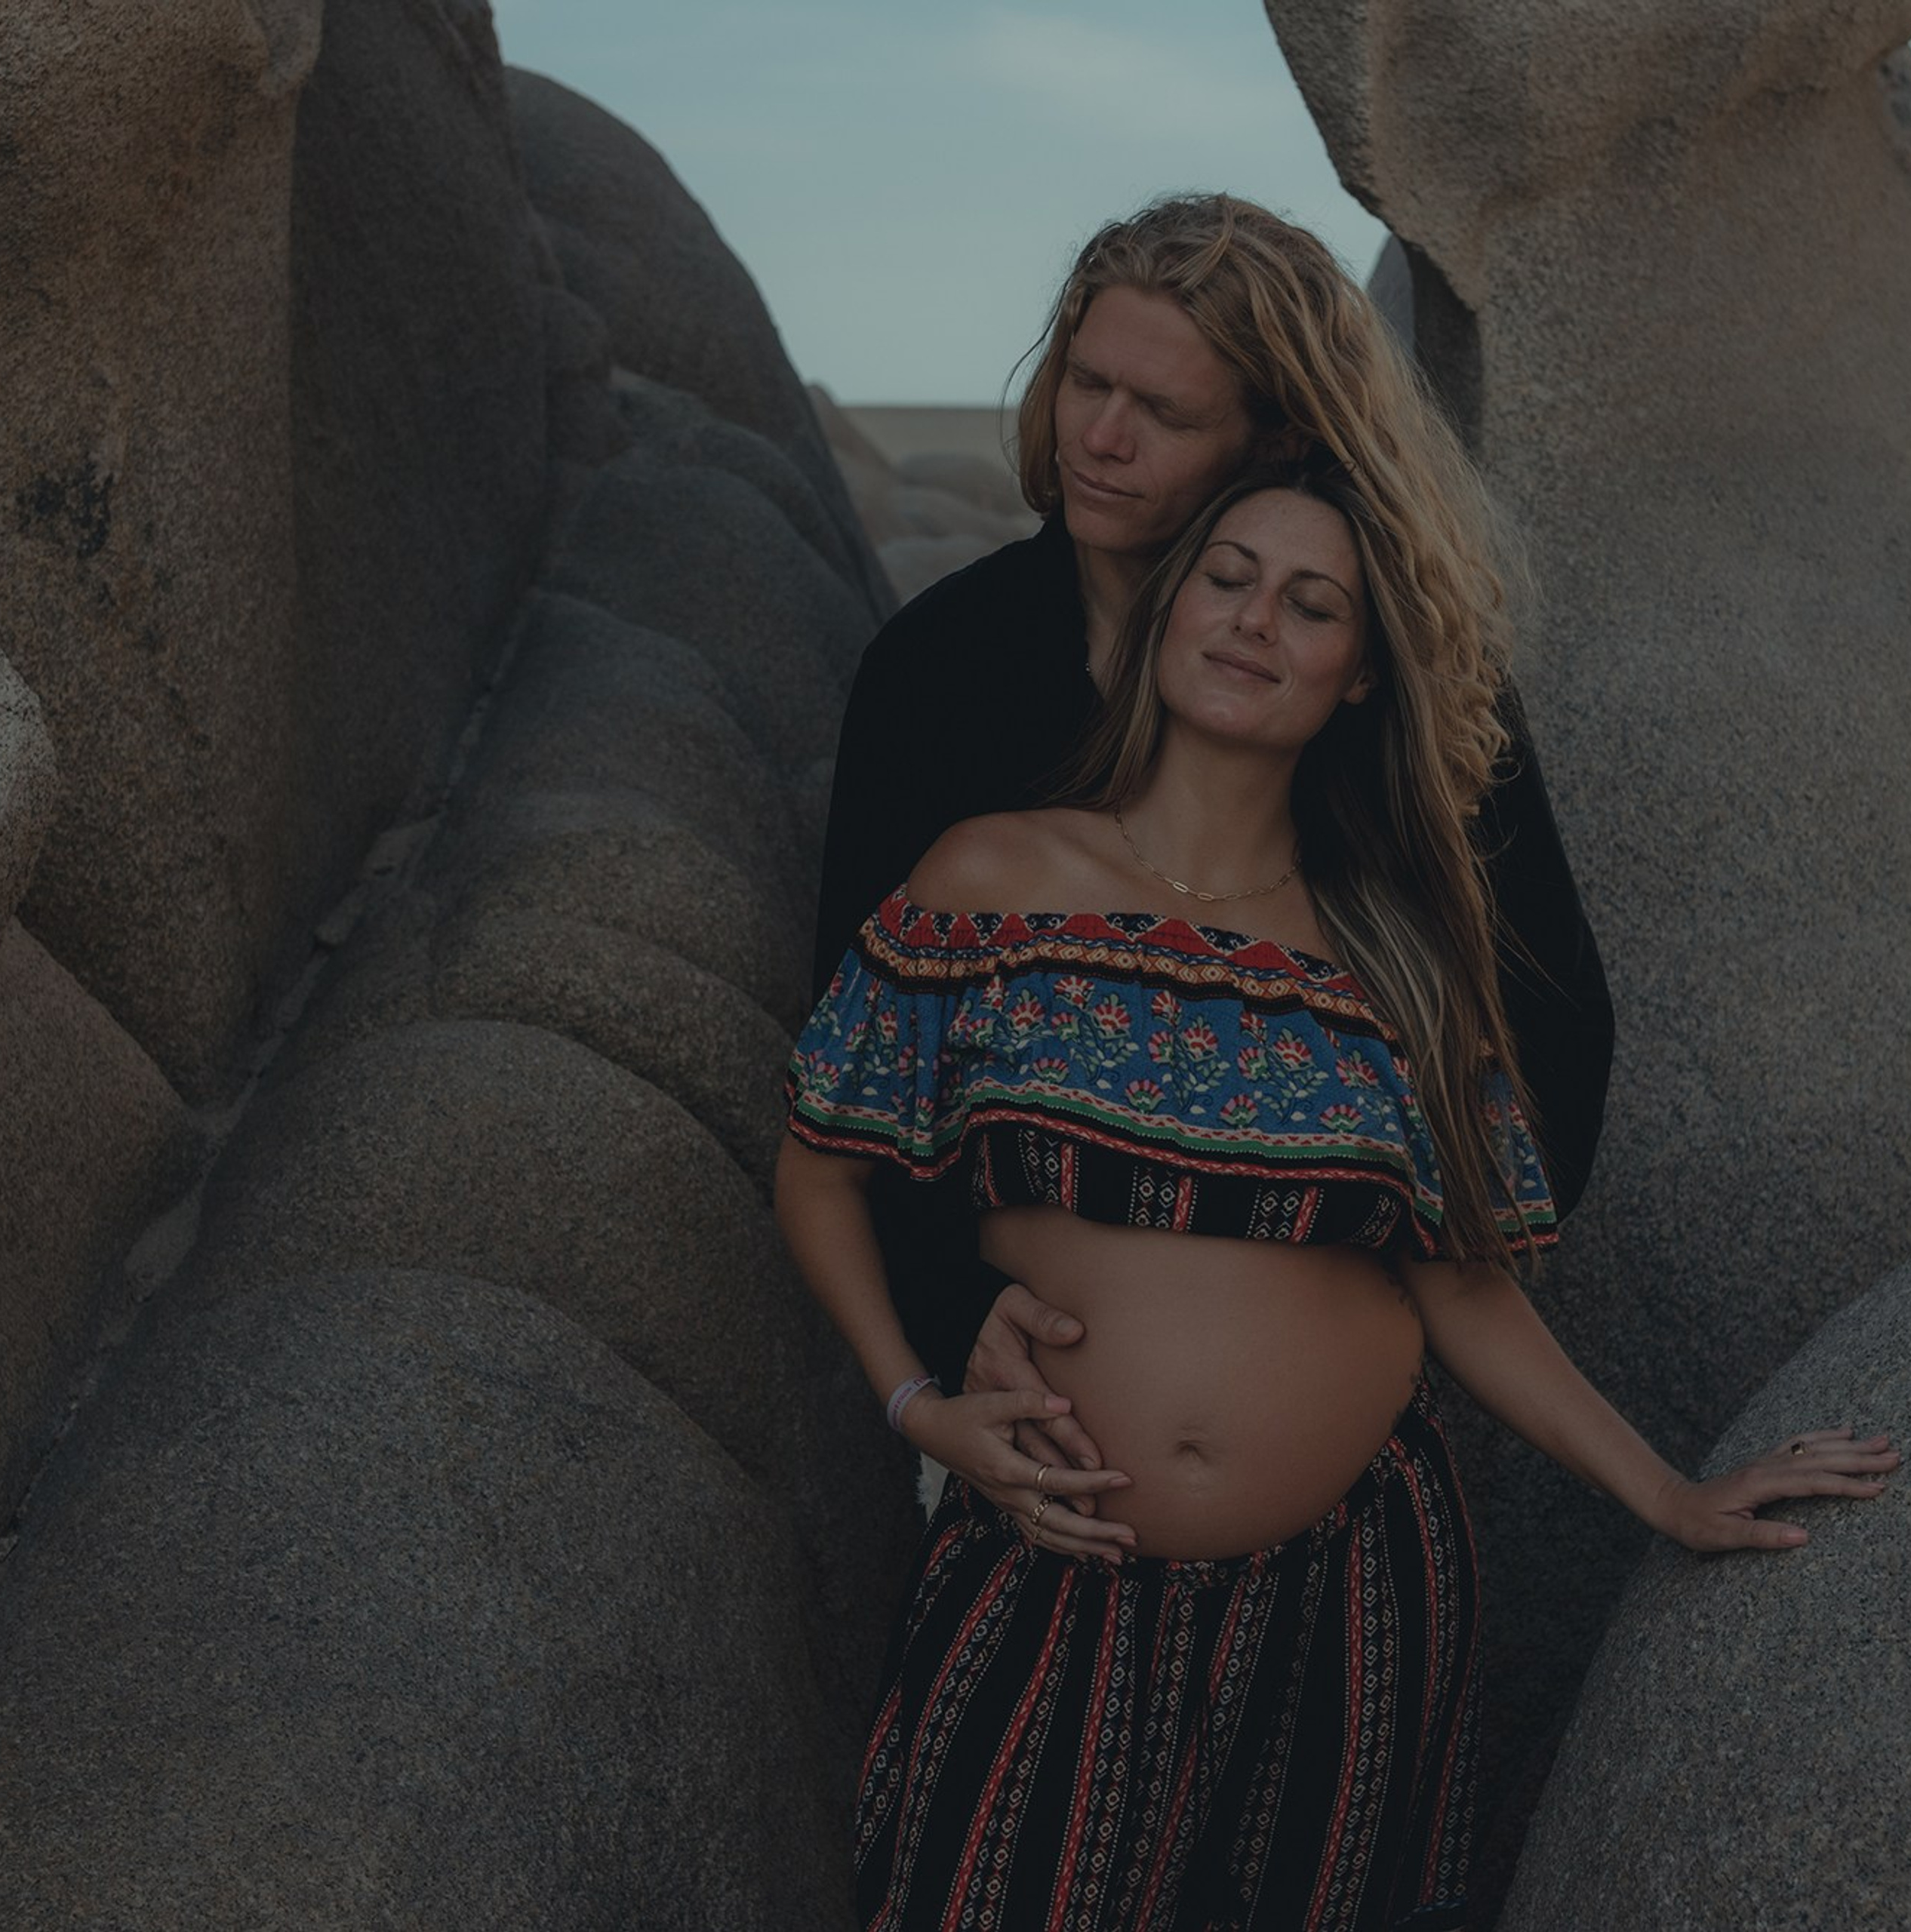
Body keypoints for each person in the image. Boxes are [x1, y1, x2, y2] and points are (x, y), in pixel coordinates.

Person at [777, 460, 1895, 1929]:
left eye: (1312, 605)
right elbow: (817, 1167)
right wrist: (916, 1406)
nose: (1253, 620)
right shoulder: (992, 876)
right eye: (1226, 576)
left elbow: (1455, 1281)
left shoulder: (1406, 954)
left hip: (1354, 1596)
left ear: (1363, 669)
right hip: (1052, 1551)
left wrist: (1666, 1494)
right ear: (1166, 605)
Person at [813, 195, 1614, 1486]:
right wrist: (953, 1325)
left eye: (1166, 414)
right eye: (1086, 382)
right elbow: (856, 1071)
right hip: (1017, 1433)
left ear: (1276, 434)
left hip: (1351, 1477)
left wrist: (1355, 1294)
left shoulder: (1394, 678)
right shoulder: (939, 672)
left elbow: (1554, 1027)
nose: (1101, 439)